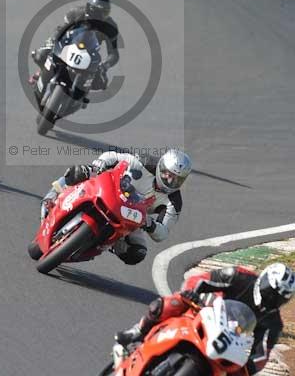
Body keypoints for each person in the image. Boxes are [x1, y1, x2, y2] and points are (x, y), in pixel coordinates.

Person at [116, 263, 295, 375]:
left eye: (279, 298)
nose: (272, 299)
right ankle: (137, 331)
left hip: (228, 345)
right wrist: (192, 294)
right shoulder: (238, 276)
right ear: (263, 280)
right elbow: (199, 281)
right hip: (202, 314)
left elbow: (261, 355)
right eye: (270, 292)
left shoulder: (274, 323)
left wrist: (249, 367)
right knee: (170, 303)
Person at [40, 147, 192, 265]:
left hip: (130, 219)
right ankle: (53, 195)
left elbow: (163, 232)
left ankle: (110, 244)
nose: (169, 180)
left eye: (176, 179)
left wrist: (150, 223)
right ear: (161, 167)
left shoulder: (173, 201)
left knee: (137, 253)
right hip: (109, 191)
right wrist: (99, 164)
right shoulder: (144, 162)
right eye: (167, 174)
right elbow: (113, 156)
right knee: (81, 171)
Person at [30, 0, 119, 92]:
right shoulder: (77, 13)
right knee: (41, 55)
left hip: (89, 54)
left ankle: (81, 96)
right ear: (89, 8)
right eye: (97, 12)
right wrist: (53, 41)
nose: (100, 16)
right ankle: (42, 72)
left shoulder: (110, 27)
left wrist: (104, 66)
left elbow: (113, 53)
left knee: (101, 82)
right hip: (68, 44)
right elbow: (62, 28)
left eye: (104, 13)